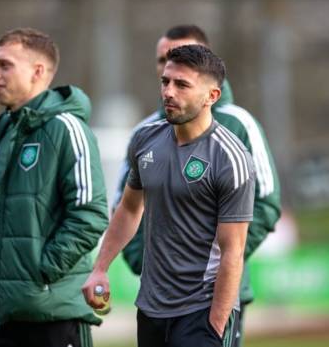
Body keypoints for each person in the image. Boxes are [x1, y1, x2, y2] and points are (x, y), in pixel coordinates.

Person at [112, 24, 281, 347]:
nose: (169, 67)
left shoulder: (238, 125)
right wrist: (141, 259)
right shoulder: (146, 132)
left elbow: (267, 204)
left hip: (216, 295)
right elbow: (126, 202)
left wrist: (213, 263)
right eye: (163, 60)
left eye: (179, 61)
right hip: (157, 298)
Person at [83, 44, 255, 347]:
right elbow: (129, 209)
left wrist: (215, 325)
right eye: (166, 82)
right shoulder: (145, 139)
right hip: (151, 309)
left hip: (201, 311)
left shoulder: (230, 157)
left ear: (211, 96)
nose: (168, 92)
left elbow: (233, 251)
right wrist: (100, 268)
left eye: (182, 85)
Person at [0, 28, 109, 347]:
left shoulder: (67, 127)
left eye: (5, 65)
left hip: (49, 309)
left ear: (38, 72)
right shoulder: (0, 130)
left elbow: (90, 214)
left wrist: (41, 270)